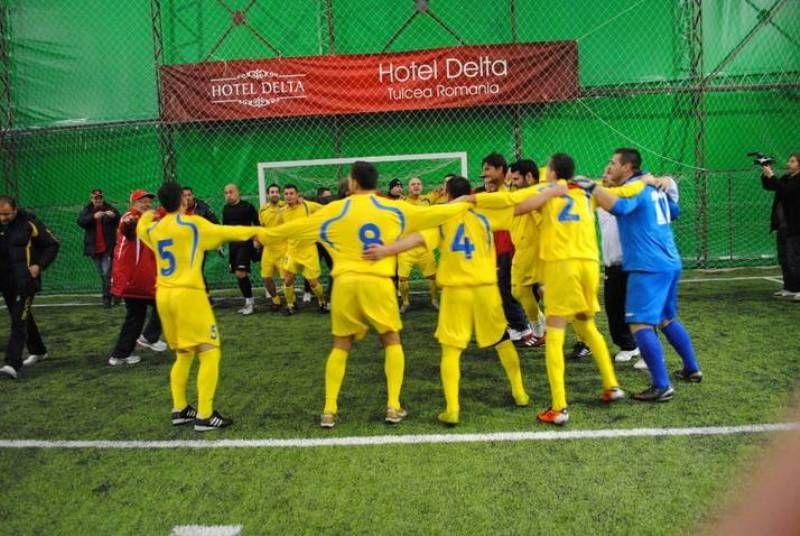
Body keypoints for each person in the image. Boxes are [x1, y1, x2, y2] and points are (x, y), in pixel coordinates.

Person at [257, 161, 470, 428]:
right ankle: (393, 406)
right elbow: (436, 214)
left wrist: (260, 234)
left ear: (354, 182)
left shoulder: (335, 209)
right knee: (391, 339)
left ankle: (329, 410)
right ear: (374, 182)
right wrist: (467, 201)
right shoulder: (394, 207)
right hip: (378, 282)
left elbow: (294, 228)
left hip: (345, 284)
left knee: (341, 344)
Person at [364, 176, 566, 424]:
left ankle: (452, 409)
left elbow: (415, 239)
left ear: (447, 194)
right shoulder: (485, 215)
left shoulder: (443, 218)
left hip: (455, 291)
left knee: (451, 350)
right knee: (503, 341)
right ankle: (520, 393)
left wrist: (385, 250)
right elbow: (523, 206)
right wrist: (550, 191)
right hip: (485, 289)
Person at [473, 153, 642, 424]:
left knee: (554, 335)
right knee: (588, 326)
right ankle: (611, 385)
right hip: (589, 265)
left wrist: (472, 203)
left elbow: (514, 206)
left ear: (551, 173)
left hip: (563, 267)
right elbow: (624, 191)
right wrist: (650, 180)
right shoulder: (587, 190)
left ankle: (559, 407)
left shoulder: (546, 192)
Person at [137, 181, 264, 431]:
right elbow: (226, 232)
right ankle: (205, 415)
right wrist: (258, 231)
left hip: (164, 296)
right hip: (188, 295)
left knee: (184, 353)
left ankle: (180, 409)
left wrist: (147, 215)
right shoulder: (193, 224)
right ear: (182, 200)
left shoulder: (154, 228)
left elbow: (142, 227)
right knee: (209, 352)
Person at [586, 148, 703, 402]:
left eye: (613, 162)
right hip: (669, 261)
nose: (609, 166)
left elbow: (619, 208)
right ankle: (692, 368)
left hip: (647, 265)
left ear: (627, 167)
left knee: (639, 324)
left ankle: (662, 385)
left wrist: (592, 189)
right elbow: (674, 211)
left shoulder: (635, 188)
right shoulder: (650, 187)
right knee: (665, 318)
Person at [481, 152, 537, 347]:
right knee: (506, 289)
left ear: (500, 170)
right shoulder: (495, 193)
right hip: (499, 248)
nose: (485, 175)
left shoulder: (510, 192)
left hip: (511, 248)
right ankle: (519, 326)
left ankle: (524, 328)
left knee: (510, 289)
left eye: (488, 169)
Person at [0, 196, 60, 379]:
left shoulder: (29, 223)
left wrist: (39, 265)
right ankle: (39, 350)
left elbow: (52, 244)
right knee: (21, 316)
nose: (3, 218)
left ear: (15, 210)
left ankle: (12, 364)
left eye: (6, 214)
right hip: (6, 282)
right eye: (0, 214)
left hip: (25, 282)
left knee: (18, 320)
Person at [107, 189, 166, 366]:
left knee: (136, 317)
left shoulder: (148, 218)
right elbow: (128, 226)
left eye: (148, 201)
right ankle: (148, 338)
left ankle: (120, 355)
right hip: (134, 280)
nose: (146, 204)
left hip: (137, 279)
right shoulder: (130, 218)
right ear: (133, 204)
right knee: (165, 304)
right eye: (142, 201)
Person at [597, 169, 643, 369]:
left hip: (631, 263)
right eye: (604, 175)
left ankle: (647, 351)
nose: (605, 177)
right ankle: (628, 346)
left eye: (609, 173)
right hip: (611, 264)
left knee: (637, 310)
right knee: (613, 308)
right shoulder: (599, 198)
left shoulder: (626, 197)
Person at [507, 159, 546, 342]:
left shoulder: (535, 195)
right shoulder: (523, 193)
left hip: (533, 249)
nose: (513, 183)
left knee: (520, 290)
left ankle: (538, 327)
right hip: (524, 248)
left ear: (529, 177)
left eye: (516, 179)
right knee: (521, 291)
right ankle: (540, 323)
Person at [280, 184, 326, 315]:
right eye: (286, 194)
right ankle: (291, 304)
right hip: (292, 251)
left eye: (291, 193)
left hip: (308, 250)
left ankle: (322, 302)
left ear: (297, 195)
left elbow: (325, 210)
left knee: (313, 282)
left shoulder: (307, 206)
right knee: (288, 279)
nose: (288, 196)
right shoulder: (283, 211)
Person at [761, 153, 800, 299]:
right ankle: (789, 288)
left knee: (795, 258)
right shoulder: (786, 178)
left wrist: (772, 176)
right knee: (784, 258)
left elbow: (786, 190)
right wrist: (766, 172)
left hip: (795, 226)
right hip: (782, 225)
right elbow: (769, 185)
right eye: (790, 161)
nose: (789, 163)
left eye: (793, 161)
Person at [397, 176, 438, 313]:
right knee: (402, 277)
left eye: (418, 184)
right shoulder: (401, 202)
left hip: (424, 245)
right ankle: (405, 302)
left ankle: (434, 300)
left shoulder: (428, 199)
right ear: (408, 188)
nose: (416, 186)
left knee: (432, 275)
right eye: (413, 184)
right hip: (406, 247)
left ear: (422, 186)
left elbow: (443, 193)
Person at [77, 188, 120, 308]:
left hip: (108, 248)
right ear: (91, 199)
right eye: (96, 198)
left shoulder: (109, 208)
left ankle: (107, 300)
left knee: (106, 274)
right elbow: (80, 222)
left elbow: (120, 221)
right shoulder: (87, 210)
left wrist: (114, 216)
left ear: (102, 198)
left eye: (100, 198)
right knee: (103, 275)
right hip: (94, 249)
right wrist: (93, 217)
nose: (98, 200)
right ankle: (116, 294)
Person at [222, 184, 259, 315]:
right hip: (233, 245)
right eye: (226, 193)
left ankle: (250, 303)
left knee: (241, 273)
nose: (228, 195)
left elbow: (257, 224)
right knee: (239, 275)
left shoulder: (247, 207)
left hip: (245, 244)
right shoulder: (226, 209)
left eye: (231, 192)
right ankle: (248, 302)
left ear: (238, 192)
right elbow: (225, 228)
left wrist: (256, 240)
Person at [182, 186, 220, 296]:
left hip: (199, 245)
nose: (187, 198)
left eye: (189, 195)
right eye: (184, 195)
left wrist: (217, 242)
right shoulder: (176, 209)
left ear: (193, 196)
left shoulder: (203, 207)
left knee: (197, 270)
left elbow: (215, 223)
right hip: (182, 245)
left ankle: (206, 296)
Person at [258, 183, 287, 311]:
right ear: (268, 194)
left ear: (279, 194)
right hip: (268, 249)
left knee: (286, 279)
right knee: (266, 277)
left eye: (276, 192)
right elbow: (262, 228)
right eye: (272, 192)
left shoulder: (286, 206)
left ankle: (291, 301)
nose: (274, 194)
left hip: (283, 248)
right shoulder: (263, 210)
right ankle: (276, 301)